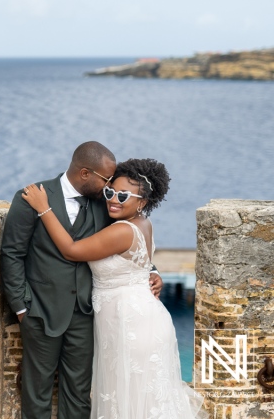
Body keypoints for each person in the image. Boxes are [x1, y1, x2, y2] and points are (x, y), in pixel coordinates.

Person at [21, 158, 206, 419]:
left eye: (123, 195)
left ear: (142, 202)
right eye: (109, 192)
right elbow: (138, 262)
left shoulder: (121, 231)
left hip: (130, 325)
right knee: (137, 401)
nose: (113, 200)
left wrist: (44, 209)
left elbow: (72, 251)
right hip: (136, 317)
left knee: (131, 401)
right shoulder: (143, 222)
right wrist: (152, 272)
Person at [0, 142, 163, 419]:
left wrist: (150, 269)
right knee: (36, 390)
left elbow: (125, 240)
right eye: (107, 180)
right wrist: (21, 307)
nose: (110, 187)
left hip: (87, 312)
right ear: (85, 173)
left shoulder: (106, 202)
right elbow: (12, 253)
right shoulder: (33, 197)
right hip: (40, 310)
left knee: (78, 391)